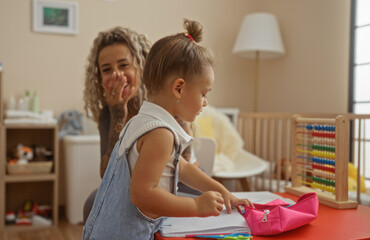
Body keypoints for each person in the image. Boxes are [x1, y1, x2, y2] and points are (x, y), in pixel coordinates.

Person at [82, 19, 254, 240]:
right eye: (204, 93)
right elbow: (142, 195)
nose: (205, 102)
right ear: (179, 88)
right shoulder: (160, 133)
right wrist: (195, 206)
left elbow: (181, 166)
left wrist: (225, 193)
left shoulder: (143, 120)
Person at [82, 26, 197, 222]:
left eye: (124, 65)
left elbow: (182, 163)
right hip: (136, 193)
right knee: (93, 201)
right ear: (99, 78)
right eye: (107, 70)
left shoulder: (165, 102)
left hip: (178, 189)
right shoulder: (107, 115)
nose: (117, 75)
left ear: (141, 66)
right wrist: (118, 113)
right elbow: (107, 175)